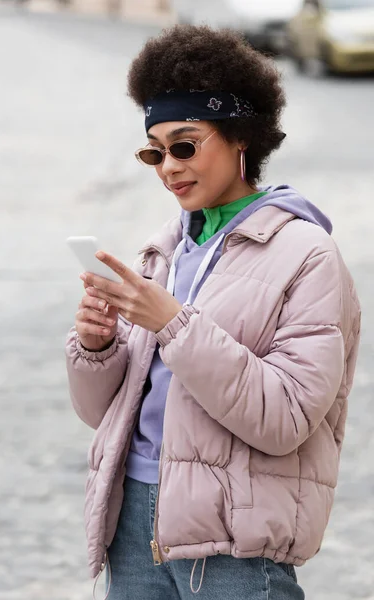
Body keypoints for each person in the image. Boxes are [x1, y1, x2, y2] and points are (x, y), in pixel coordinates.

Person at [65, 25, 361, 600]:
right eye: (154, 151)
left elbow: (284, 418)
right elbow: (100, 412)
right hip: (132, 525)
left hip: (233, 545)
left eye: (185, 144)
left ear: (239, 138)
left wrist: (172, 324)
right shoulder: (165, 250)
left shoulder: (308, 255)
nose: (168, 167)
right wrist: (97, 347)